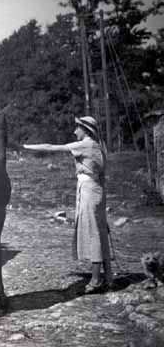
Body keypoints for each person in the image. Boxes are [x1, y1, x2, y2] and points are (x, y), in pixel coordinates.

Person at [23, 116, 112, 294]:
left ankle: (96, 280)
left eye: (77, 128)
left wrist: (23, 147)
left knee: (94, 233)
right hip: (95, 190)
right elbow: (102, 176)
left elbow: (51, 148)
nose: (74, 131)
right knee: (99, 231)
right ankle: (107, 276)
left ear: (85, 130)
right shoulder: (98, 146)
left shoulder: (86, 144)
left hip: (88, 190)